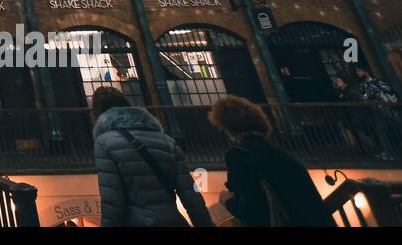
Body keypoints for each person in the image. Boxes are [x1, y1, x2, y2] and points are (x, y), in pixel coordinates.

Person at [91, 86, 211, 227]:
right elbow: (190, 194)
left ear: (96, 112)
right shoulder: (166, 140)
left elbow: (112, 199)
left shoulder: (104, 142)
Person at [209, 96, 334, 226]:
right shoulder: (279, 154)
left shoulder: (238, 156)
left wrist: (227, 201)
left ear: (228, 127)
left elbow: (253, 208)